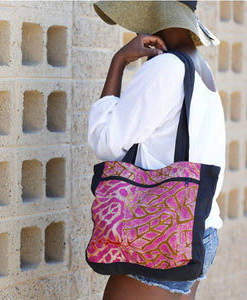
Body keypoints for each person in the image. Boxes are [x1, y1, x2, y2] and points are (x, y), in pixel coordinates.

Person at [87, 1, 225, 300]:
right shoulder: (199, 67)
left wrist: (119, 61)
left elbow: (106, 141)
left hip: (162, 235)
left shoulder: (167, 67)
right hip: (198, 228)